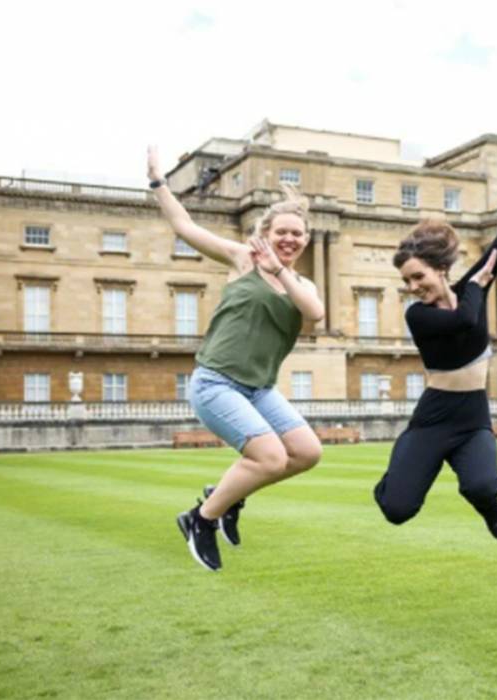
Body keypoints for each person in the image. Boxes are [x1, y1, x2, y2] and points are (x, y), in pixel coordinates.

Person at [147, 146, 325, 571]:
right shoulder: (242, 260)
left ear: (306, 240)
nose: (289, 239)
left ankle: (225, 496)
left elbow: (315, 315)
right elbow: (183, 224)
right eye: (281, 231)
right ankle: (200, 519)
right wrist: (158, 184)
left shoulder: (302, 283)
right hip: (216, 383)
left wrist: (279, 271)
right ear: (265, 232)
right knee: (269, 457)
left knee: (307, 452)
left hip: (259, 389)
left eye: (297, 234)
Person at [373, 155, 497, 539]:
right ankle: (395, 480)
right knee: (396, 509)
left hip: (472, 416)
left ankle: (492, 509)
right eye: (407, 281)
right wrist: (475, 286)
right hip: (434, 417)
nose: (413, 286)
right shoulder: (418, 316)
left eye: (417, 276)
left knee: (482, 486)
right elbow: (464, 320)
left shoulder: (471, 287)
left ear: (439, 268)